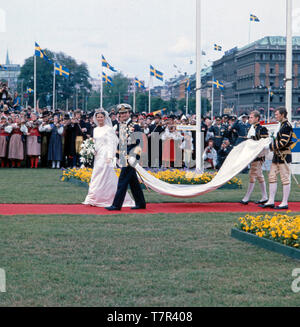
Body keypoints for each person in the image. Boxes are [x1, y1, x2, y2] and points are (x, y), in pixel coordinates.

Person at [83, 109, 135, 208]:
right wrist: (92, 149)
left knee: (105, 175)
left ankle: (107, 198)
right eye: (98, 117)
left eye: (101, 117)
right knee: (96, 175)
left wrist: (110, 156)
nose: (99, 119)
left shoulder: (108, 129)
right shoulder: (95, 129)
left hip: (106, 155)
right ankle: (94, 197)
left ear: (105, 118)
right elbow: (95, 142)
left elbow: (112, 143)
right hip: (98, 155)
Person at [106, 104, 146, 211]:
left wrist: (133, 157)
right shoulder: (121, 125)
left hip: (131, 157)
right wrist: (118, 155)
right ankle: (141, 203)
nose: (122, 115)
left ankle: (116, 205)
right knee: (133, 182)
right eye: (121, 113)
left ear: (129, 113)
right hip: (124, 156)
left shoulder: (135, 126)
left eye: (125, 113)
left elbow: (138, 143)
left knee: (122, 180)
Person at [260, 107, 294, 210]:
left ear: (283, 115)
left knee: (285, 179)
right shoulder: (280, 125)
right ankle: (271, 200)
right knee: (272, 177)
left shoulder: (287, 126)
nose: (275, 116)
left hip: (284, 155)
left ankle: (284, 202)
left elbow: (283, 142)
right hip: (277, 156)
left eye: (277, 114)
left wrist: (269, 147)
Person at [240, 111, 269, 205]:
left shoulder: (262, 129)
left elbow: (264, 143)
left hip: (258, 155)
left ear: (257, 118)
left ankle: (246, 197)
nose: (250, 119)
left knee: (253, 175)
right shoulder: (251, 128)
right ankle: (264, 196)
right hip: (252, 155)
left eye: (252, 117)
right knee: (259, 175)